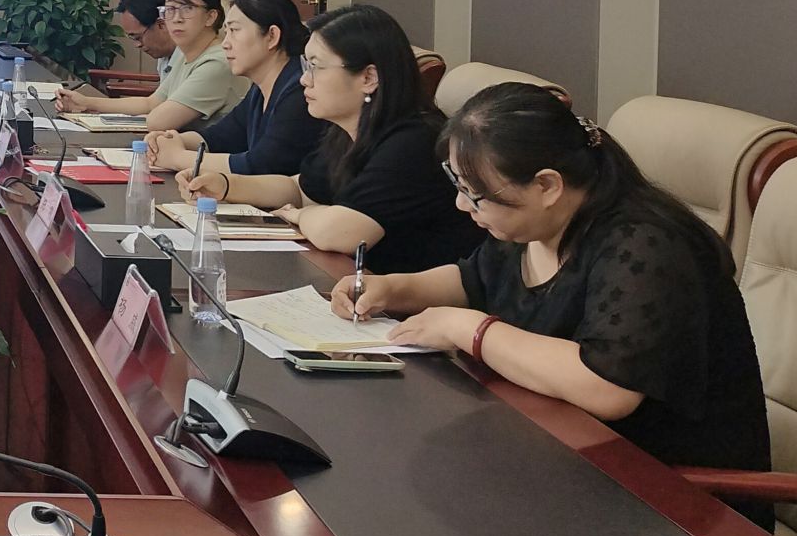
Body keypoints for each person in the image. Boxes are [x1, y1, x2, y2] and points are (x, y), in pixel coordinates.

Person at [330, 82, 772, 499]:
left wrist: (471, 331)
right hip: (557, 452)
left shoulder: (645, 244)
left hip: (666, 493)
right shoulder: (534, 223)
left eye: (475, 193)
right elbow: (473, 279)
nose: (462, 205)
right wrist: (392, 287)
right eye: (460, 188)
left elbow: (608, 387)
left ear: (546, 185)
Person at [177, 3, 480, 273]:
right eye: (305, 65)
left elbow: (341, 234)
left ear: (368, 78)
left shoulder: (413, 142)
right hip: (356, 286)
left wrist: (300, 215)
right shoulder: (346, 131)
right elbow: (299, 188)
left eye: (316, 67)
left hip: (411, 304)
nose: (303, 79)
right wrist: (225, 185)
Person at [145, 0, 325, 179]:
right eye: (226, 32)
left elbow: (262, 166)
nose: (225, 43)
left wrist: (178, 157)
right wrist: (169, 140)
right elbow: (221, 137)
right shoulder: (261, 88)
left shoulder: (299, 90)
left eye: (234, 31)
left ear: (272, 36)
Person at [57, 0, 246, 130]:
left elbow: (159, 121)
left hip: (210, 159)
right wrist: (86, 103)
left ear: (210, 17)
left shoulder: (217, 62)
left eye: (187, 8)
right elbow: (151, 103)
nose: (177, 18)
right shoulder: (184, 54)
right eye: (170, 9)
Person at [112, 0, 176, 80]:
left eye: (138, 37)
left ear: (161, 24)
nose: (137, 45)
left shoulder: (192, 59)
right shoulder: (164, 57)